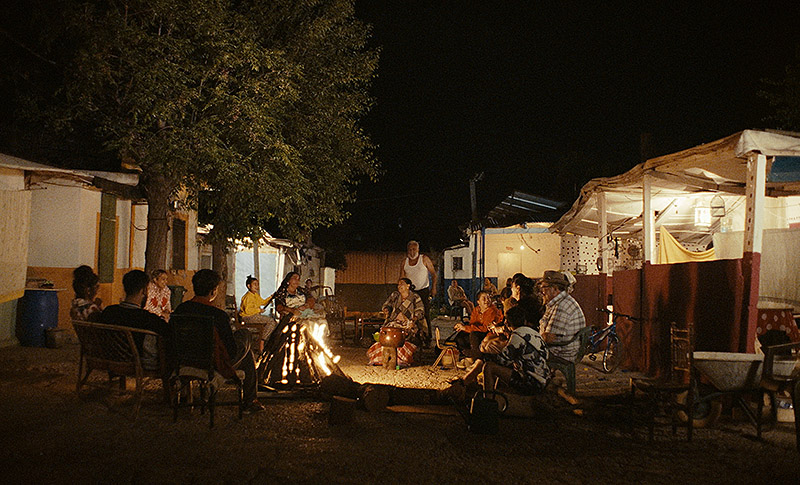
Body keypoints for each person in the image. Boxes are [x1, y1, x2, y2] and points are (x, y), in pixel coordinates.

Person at [173, 269, 264, 413]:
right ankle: (250, 401)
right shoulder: (218, 315)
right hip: (212, 362)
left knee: (247, 353)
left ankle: (251, 401)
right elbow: (230, 350)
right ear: (213, 291)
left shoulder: (180, 310)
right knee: (245, 336)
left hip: (185, 359)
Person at [454, 305, 549, 395]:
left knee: (489, 367)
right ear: (524, 321)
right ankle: (464, 383)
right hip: (543, 378)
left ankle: (487, 400)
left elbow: (502, 360)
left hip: (531, 382)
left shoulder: (517, 336)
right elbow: (546, 354)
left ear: (507, 323)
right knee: (486, 360)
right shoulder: (534, 334)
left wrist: (479, 354)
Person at [98, 270, 172, 371]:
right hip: (137, 363)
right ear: (144, 291)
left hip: (111, 359)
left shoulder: (109, 312)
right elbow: (168, 332)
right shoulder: (147, 318)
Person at [367, 278, 424, 367]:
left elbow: (420, 311)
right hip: (393, 322)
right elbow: (387, 305)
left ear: (408, 286)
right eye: (398, 284)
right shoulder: (395, 295)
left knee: (404, 335)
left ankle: (401, 359)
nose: (399, 286)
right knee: (386, 334)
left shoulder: (415, 297)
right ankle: (381, 359)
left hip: (407, 323)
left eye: (402, 284)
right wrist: (386, 310)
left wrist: (413, 319)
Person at [539, 270, 586, 362]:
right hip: (565, 350)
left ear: (555, 289)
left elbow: (549, 338)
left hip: (563, 354)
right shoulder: (561, 301)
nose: (542, 291)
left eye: (544, 287)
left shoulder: (562, 306)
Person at [399, 240, 437, 345]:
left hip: (423, 291)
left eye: (414, 249)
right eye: (410, 250)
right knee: (410, 315)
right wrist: (401, 291)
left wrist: (433, 288)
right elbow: (401, 278)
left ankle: (428, 339)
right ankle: (413, 339)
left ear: (418, 250)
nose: (412, 252)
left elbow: (434, 274)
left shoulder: (424, 259)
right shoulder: (404, 262)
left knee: (425, 314)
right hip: (410, 292)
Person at [452, 290, 502, 366]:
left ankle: (476, 356)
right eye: (484, 299)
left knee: (473, 335)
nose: (487, 300)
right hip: (477, 331)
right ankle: (469, 356)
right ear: (478, 302)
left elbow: (485, 328)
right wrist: (462, 327)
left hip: (487, 334)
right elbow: (472, 323)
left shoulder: (492, 311)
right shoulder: (476, 310)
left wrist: (466, 328)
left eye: (488, 298)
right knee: (460, 337)